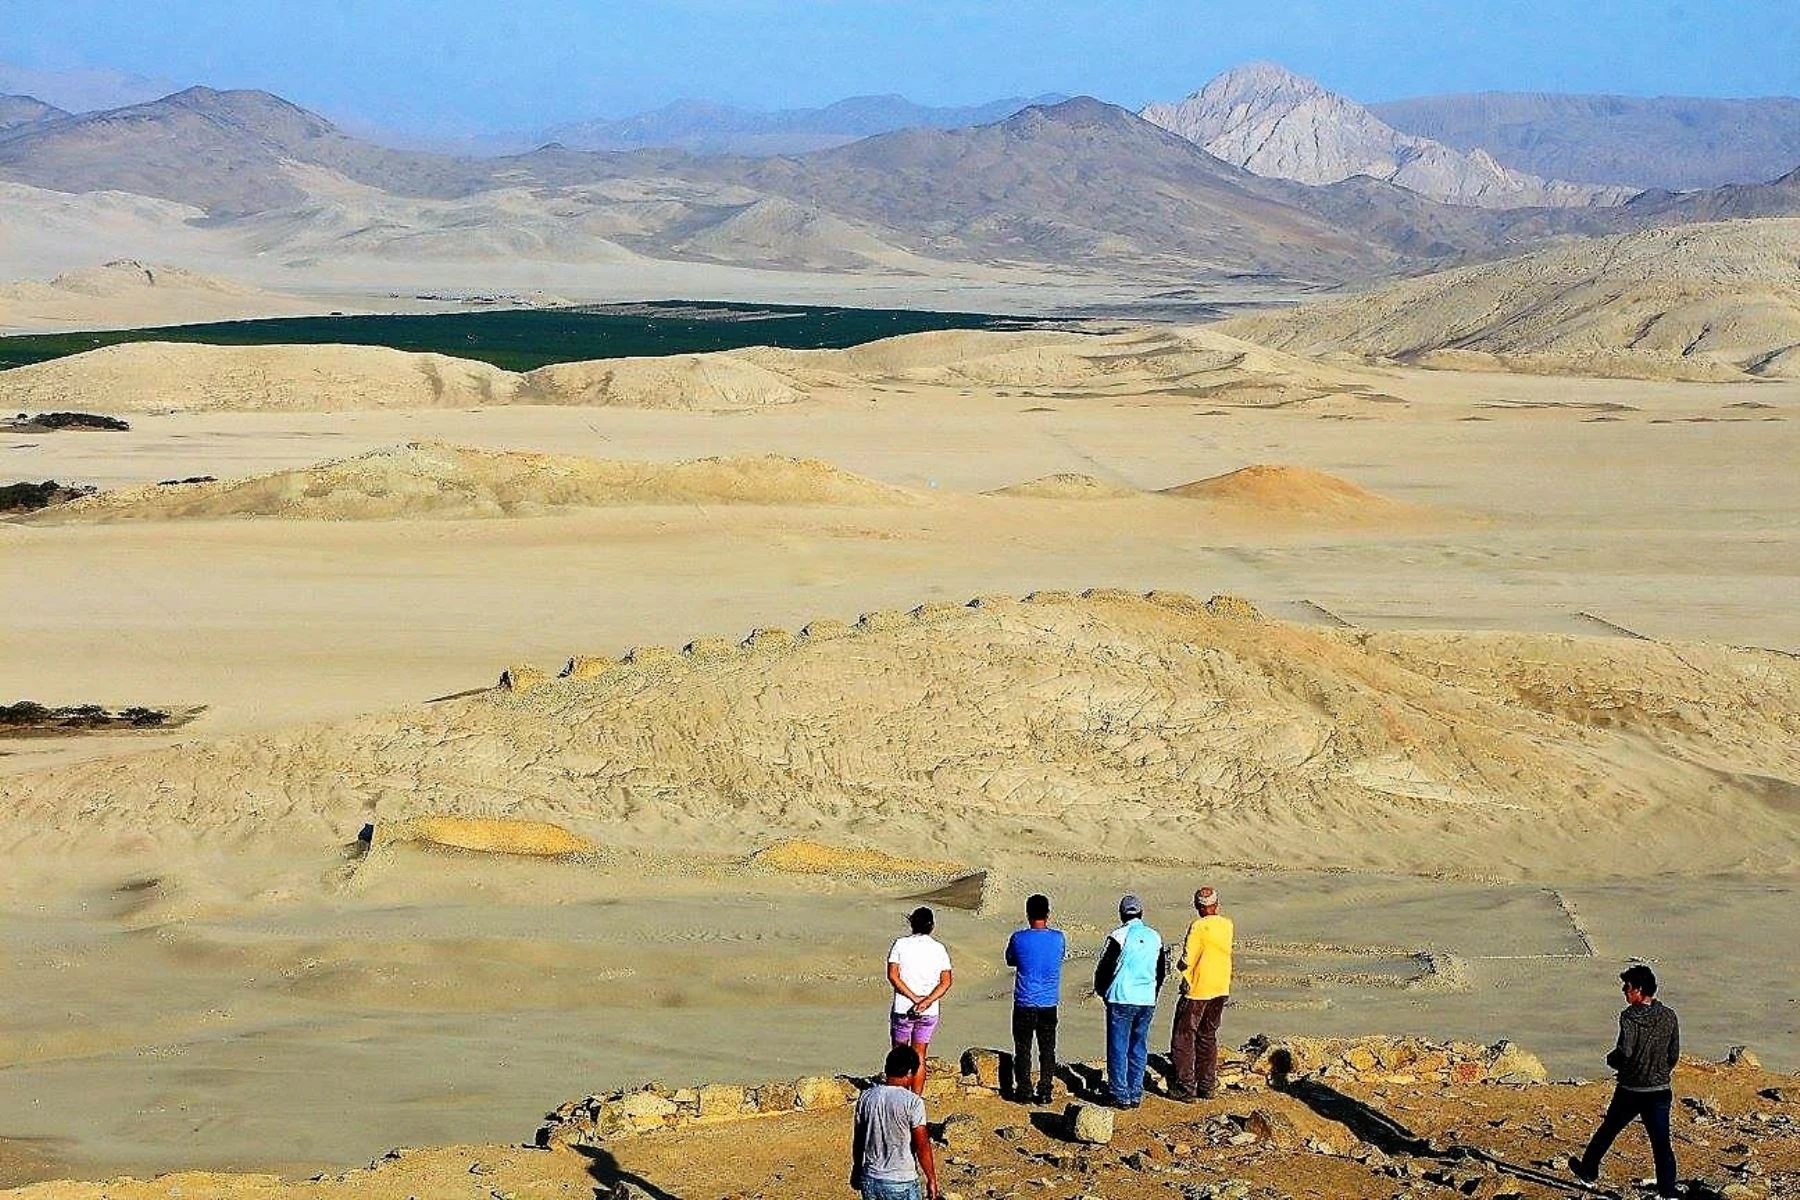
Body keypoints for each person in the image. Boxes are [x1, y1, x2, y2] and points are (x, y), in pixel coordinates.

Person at [1573, 964, 1680, 1197]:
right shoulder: (1669, 1016)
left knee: (1608, 1130)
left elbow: (1626, 1051)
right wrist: (1658, 1072)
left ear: (1639, 989)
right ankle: (1668, 1190)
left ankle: (1588, 1172)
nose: (1624, 990)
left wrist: (1613, 1061)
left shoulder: (1629, 1017)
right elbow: (1673, 1055)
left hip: (1631, 1090)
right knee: (1661, 1143)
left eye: (1627, 986)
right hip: (1659, 1090)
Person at [1093, 893, 1167, 1108]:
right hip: (1146, 999)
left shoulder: (1118, 935)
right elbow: (1161, 970)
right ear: (1141, 913)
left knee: (1118, 1046)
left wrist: (1102, 991)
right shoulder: (1155, 936)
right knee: (1138, 1046)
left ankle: (1119, 1093)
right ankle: (1135, 1091)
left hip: (1121, 997)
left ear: (1121, 914)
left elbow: (1105, 968)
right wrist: (1152, 992)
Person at [850, 1044, 940, 1200]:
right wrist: (931, 1178)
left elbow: (859, 1139)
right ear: (910, 1072)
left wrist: (857, 1167)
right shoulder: (913, 1102)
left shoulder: (866, 1097)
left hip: (871, 1178)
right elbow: (922, 1145)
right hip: (901, 1180)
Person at [1169, 885, 1233, 1101]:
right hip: (1221, 986)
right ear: (1216, 904)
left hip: (1198, 989)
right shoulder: (1227, 925)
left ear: (1197, 906)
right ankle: (1207, 1085)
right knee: (1208, 1035)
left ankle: (1185, 1087)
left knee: (1184, 1036)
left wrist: (1180, 966)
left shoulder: (1198, 926)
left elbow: (1188, 957)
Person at [1004, 892, 1065, 1104]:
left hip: (1024, 1000)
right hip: (1048, 1002)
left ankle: (1024, 1090)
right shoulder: (1058, 938)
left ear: (1028, 913)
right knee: (1047, 1049)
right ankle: (1046, 1091)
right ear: (1048, 914)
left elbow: (1010, 959)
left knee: (1023, 1048)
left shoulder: (1018, 938)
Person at [887, 906, 953, 1094]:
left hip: (904, 1007)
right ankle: (915, 1098)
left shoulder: (900, 944)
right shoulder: (939, 948)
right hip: (928, 1010)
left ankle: (897, 1096)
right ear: (932, 925)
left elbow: (893, 975)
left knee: (899, 1054)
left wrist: (913, 997)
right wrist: (926, 1001)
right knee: (920, 1055)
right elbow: (946, 982)